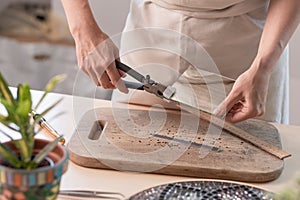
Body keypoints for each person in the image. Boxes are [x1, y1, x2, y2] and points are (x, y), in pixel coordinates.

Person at [61, 0, 300, 124]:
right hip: (150, 29)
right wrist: (83, 30)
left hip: (251, 47)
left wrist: (262, 66)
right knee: (128, 152)